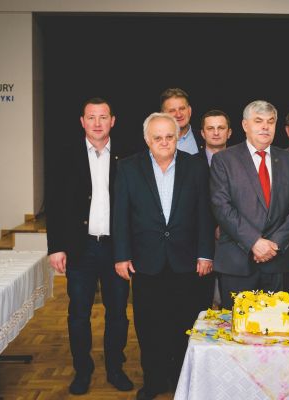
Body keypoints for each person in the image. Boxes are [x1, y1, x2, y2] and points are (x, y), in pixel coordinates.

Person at [112, 113, 214, 400]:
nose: (164, 142)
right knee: (149, 326)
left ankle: (182, 380)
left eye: (170, 136)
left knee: (184, 324)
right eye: (157, 137)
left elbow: (205, 213)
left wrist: (205, 253)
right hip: (146, 261)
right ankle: (154, 381)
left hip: (187, 260)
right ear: (147, 139)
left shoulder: (195, 166)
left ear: (178, 137)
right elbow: (121, 215)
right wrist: (121, 255)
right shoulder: (128, 167)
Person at [45, 98, 132, 395]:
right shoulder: (65, 156)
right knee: (79, 314)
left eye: (103, 117)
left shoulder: (127, 156)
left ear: (113, 121)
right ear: (82, 121)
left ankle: (115, 368)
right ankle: (82, 371)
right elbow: (54, 203)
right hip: (80, 248)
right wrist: (56, 247)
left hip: (116, 249)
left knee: (117, 313)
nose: (97, 123)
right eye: (91, 117)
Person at [210, 100, 289, 310]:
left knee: (278, 327)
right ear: (245, 125)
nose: (265, 127)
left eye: (270, 122)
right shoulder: (224, 160)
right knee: (238, 328)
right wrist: (254, 242)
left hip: (278, 264)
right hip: (237, 265)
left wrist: (274, 244)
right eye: (258, 121)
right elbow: (222, 207)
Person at [197, 109, 233, 308]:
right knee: (202, 304)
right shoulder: (190, 163)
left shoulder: (242, 161)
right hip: (199, 245)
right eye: (210, 128)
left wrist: (226, 227)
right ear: (203, 133)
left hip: (235, 243)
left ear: (229, 132)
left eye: (221, 128)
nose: (216, 132)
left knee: (232, 304)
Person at [160, 88, 202, 154]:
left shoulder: (204, 138)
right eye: (172, 111)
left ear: (189, 111)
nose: (179, 115)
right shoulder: (153, 142)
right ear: (163, 115)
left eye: (182, 109)